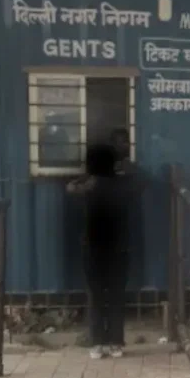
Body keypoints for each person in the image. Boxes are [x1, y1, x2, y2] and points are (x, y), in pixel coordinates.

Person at [77, 142, 130, 359]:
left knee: (96, 295)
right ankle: (116, 342)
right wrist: (127, 164)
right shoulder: (124, 186)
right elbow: (144, 181)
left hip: (94, 249)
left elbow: (71, 188)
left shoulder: (88, 187)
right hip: (120, 248)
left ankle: (98, 344)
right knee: (117, 294)